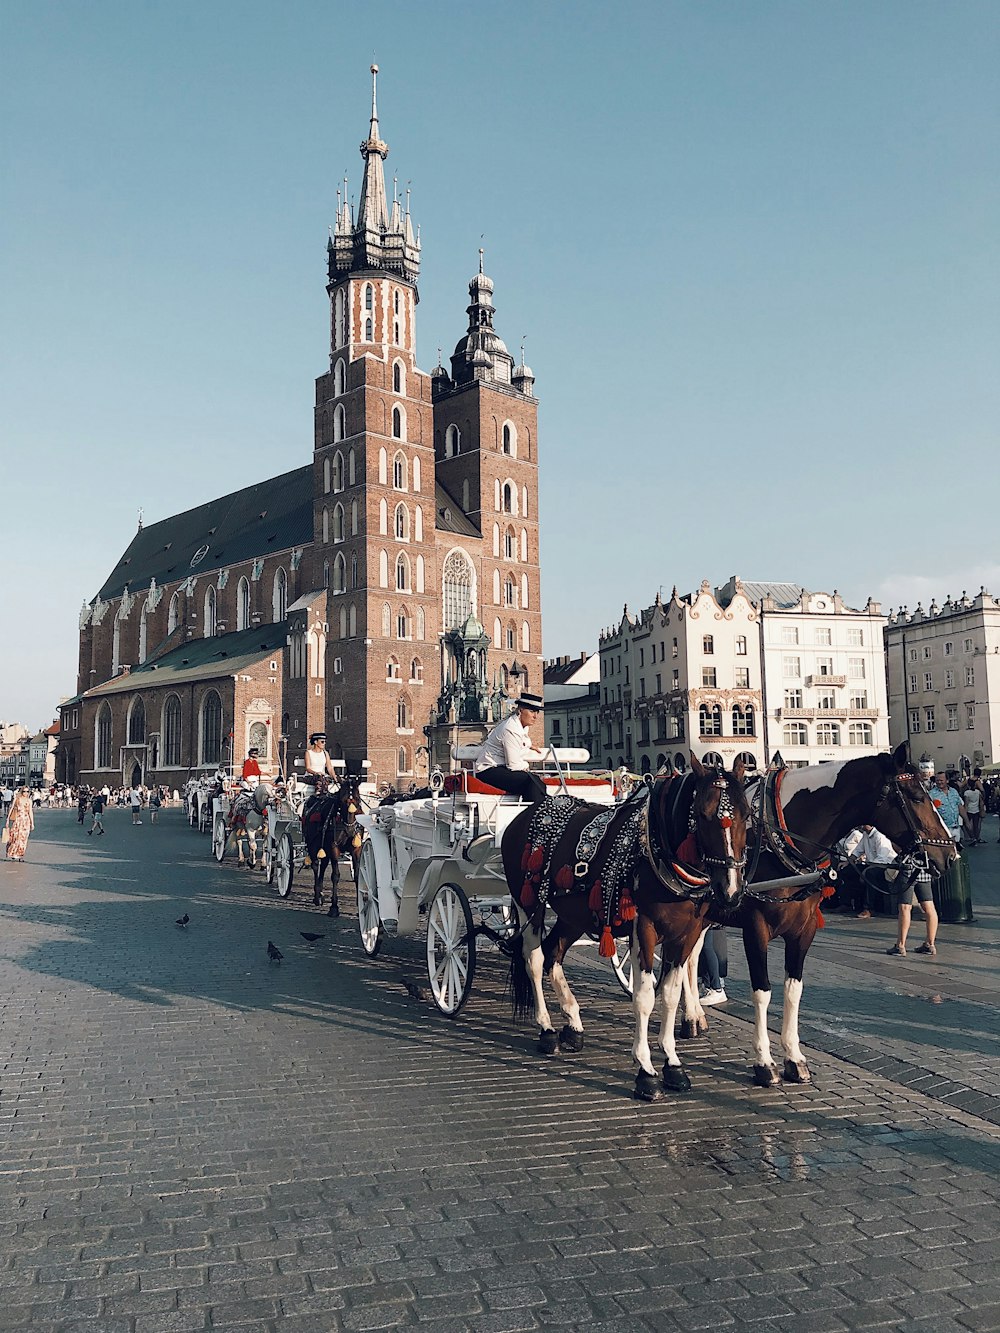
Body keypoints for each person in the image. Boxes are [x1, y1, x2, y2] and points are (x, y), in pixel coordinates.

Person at [474, 693, 548, 803]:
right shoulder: (511, 729)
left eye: (537, 712)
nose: (535, 716)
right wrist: (527, 767)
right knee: (533, 782)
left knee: (535, 782)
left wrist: (529, 746)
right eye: (532, 711)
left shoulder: (521, 726)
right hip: (488, 771)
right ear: (521, 710)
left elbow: (522, 741)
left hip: (500, 768)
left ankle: (535, 810)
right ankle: (532, 814)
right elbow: (514, 765)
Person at [842, 824, 897, 918]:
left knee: (869, 874)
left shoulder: (879, 836)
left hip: (884, 865)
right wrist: (848, 862)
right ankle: (846, 904)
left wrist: (867, 869)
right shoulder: (865, 835)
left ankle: (869, 908)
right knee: (848, 871)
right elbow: (858, 851)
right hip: (871, 864)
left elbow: (882, 857)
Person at [698, 924, 728, 1005]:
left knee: (706, 947)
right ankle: (709, 986)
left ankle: (716, 988)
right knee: (703, 947)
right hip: (706, 917)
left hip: (706, 917)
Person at [4, 788, 34, 861]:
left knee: (23, 838)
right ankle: (13, 853)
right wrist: (7, 820)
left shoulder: (29, 801)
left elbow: (30, 812)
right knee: (14, 837)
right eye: (24, 791)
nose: (26, 793)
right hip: (18, 820)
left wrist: (32, 823)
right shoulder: (17, 799)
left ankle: (20, 855)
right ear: (21, 791)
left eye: (27, 791)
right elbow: (11, 809)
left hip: (26, 821)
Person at [963, 769, 984, 845]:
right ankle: (977, 837)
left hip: (969, 809)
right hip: (976, 809)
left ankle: (972, 837)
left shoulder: (967, 792)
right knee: (976, 825)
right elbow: (982, 791)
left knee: (967, 823)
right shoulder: (978, 790)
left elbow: (966, 803)